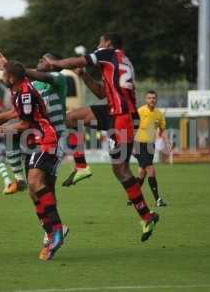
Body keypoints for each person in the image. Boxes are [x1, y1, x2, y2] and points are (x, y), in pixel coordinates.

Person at [44, 32, 159, 241]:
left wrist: (55, 63)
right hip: (114, 112)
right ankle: (81, 166)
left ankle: (146, 215)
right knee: (71, 118)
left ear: (107, 42)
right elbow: (100, 92)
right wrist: (83, 75)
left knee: (121, 170)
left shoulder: (109, 53)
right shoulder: (121, 61)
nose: (97, 45)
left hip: (123, 117)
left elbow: (79, 59)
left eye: (100, 41)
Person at [0, 60, 67, 260]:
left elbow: (23, 123)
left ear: (10, 77)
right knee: (32, 190)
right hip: (35, 141)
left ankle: (57, 230)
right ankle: (50, 231)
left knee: (36, 183)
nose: (2, 77)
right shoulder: (18, 90)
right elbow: (15, 113)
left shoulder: (25, 93)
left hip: (45, 138)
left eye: (3, 74)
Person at [132, 90, 169, 207]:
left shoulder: (158, 114)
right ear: (145, 99)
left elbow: (162, 130)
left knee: (142, 173)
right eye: (149, 98)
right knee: (151, 170)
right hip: (139, 144)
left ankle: (132, 197)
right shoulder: (140, 111)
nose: (151, 100)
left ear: (156, 99)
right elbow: (132, 129)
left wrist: (167, 142)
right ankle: (158, 199)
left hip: (150, 145)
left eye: (153, 98)